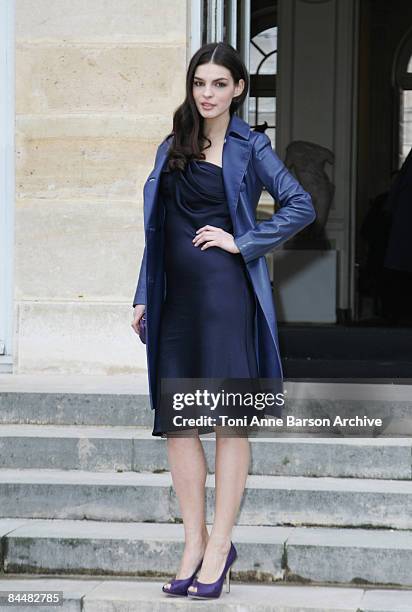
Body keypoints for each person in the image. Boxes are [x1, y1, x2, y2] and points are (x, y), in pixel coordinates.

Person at [130, 42, 316, 600]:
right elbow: (156, 230)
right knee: (179, 423)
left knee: (228, 422)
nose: (206, 94)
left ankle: (221, 545)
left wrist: (245, 241)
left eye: (218, 84)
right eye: (199, 83)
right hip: (174, 302)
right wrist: (143, 294)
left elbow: (299, 204)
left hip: (225, 300)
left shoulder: (250, 145)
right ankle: (194, 540)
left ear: (238, 88)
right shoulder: (172, 146)